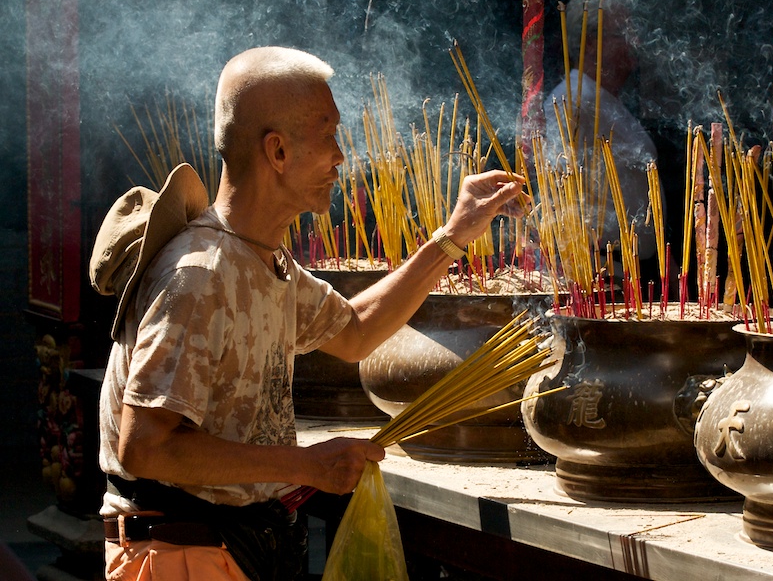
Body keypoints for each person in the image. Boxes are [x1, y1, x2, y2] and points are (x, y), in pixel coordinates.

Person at [89, 46, 527, 581]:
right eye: (328, 136)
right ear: (276, 151)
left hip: (240, 546)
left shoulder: (265, 260)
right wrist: (306, 464)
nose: (341, 156)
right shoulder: (199, 276)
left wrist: (453, 236)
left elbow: (356, 330)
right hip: (181, 554)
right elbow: (146, 447)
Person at [543, 0, 659, 264]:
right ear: (591, 43)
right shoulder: (572, 100)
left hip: (639, 273)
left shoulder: (604, 99)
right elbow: (559, 192)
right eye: (624, 34)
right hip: (601, 276)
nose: (636, 41)